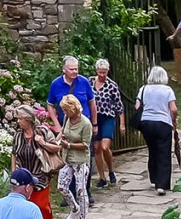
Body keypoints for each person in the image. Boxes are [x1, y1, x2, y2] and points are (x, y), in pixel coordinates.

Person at [134, 65, 179, 194]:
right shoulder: (167, 90)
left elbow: (137, 106)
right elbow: (174, 109)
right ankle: (162, 184)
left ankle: (153, 178)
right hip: (163, 123)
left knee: (152, 150)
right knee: (164, 152)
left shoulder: (143, 89)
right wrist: (173, 119)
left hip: (146, 123)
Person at [10, 110, 58, 219]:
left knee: (41, 207)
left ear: (28, 120)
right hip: (23, 179)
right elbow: (13, 154)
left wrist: (43, 143)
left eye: (20, 119)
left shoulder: (43, 132)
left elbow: (57, 148)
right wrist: (14, 172)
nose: (18, 121)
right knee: (25, 208)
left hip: (40, 177)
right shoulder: (18, 135)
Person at [56, 94, 93, 219]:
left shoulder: (86, 123)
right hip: (67, 159)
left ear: (73, 109)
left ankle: (82, 216)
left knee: (80, 191)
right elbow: (63, 131)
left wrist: (69, 145)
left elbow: (86, 145)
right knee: (62, 186)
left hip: (81, 161)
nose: (63, 112)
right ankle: (75, 208)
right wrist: (60, 140)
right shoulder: (67, 118)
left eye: (66, 109)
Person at [91, 59, 124, 189]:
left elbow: (119, 106)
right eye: (100, 72)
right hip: (95, 118)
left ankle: (110, 170)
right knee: (97, 147)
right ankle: (102, 177)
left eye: (104, 72)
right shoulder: (90, 82)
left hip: (108, 117)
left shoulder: (112, 85)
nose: (102, 75)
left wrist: (122, 124)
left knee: (105, 147)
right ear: (96, 71)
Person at [48, 56, 95, 128]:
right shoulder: (55, 84)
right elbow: (50, 105)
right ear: (64, 70)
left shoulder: (84, 81)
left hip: (84, 125)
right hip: (65, 125)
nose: (74, 72)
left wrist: (94, 123)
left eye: (76, 69)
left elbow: (92, 103)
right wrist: (56, 124)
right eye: (71, 69)